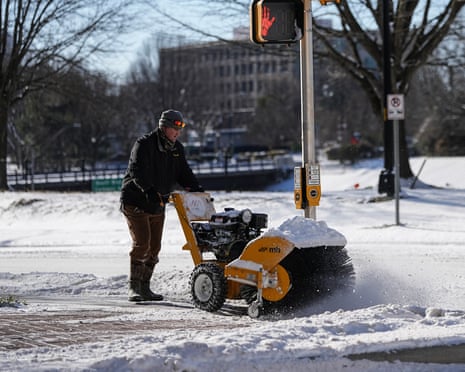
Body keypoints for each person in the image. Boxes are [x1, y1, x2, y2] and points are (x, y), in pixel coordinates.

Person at [120, 109, 203, 302]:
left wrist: (196, 188)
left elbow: (184, 172)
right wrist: (148, 190)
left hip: (158, 202)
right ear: (164, 127)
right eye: (175, 128)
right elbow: (136, 171)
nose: (177, 133)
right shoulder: (144, 145)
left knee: (154, 247)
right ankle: (135, 287)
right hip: (136, 201)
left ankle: (145, 287)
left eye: (179, 129)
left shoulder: (176, 149)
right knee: (143, 243)